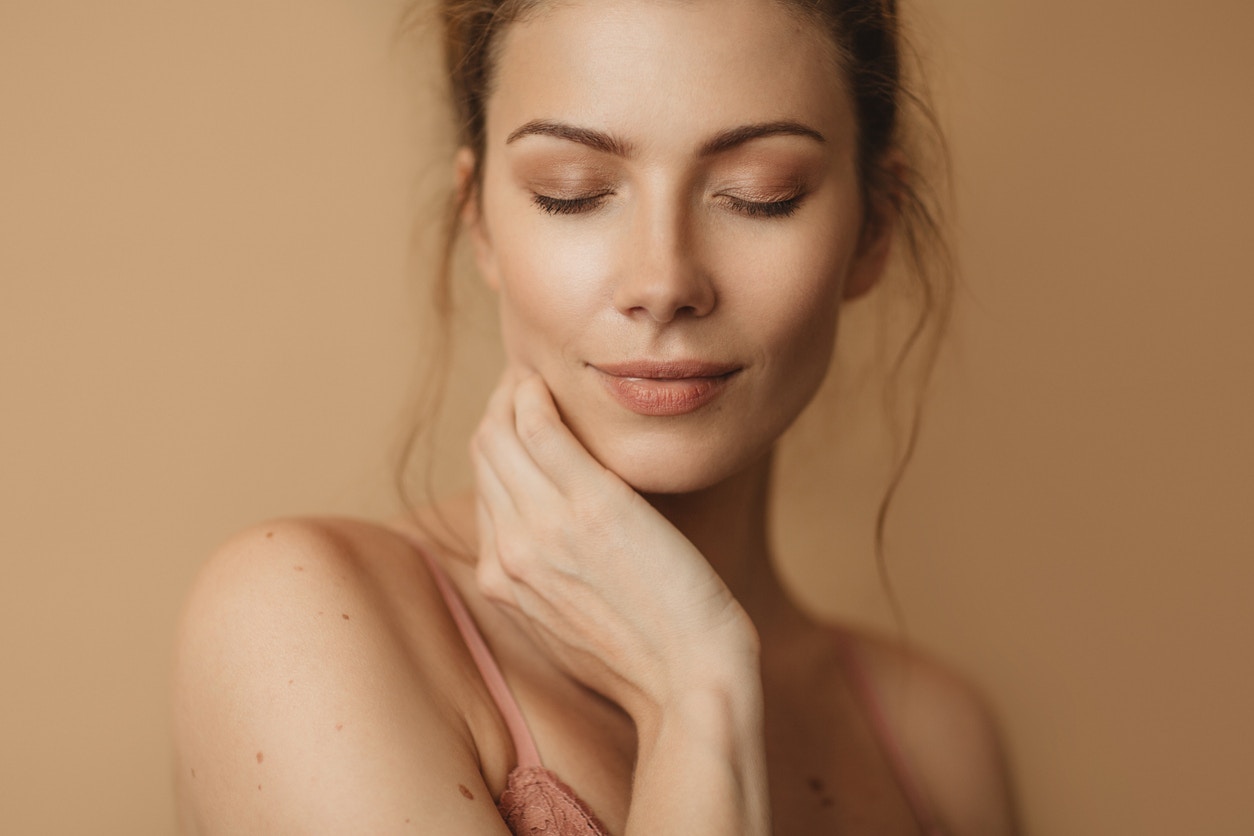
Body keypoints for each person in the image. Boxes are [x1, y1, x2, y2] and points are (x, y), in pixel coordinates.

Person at [172, 0, 1019, 832]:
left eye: (762, 194)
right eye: (571, 193)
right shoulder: (301, 621)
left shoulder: (939, 743)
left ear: (874, 225)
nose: (663, 282)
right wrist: (696, 695)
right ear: (481, 224)